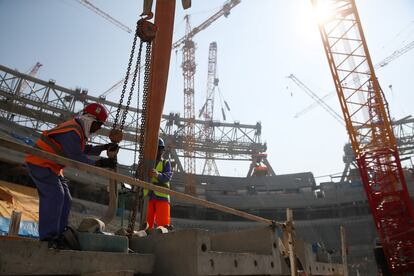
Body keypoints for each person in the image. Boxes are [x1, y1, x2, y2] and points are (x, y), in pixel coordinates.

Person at [25, 102, 118, 246]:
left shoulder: (77, 130)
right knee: (56, 195)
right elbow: (76, 157)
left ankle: (59, 234)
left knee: (66, 199)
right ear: (90, 119)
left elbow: (82, 149)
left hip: (52, 167)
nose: (97, 129)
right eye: (97, 125)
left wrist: (104, 147)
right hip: (40, 163)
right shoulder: (73, 131)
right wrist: (100, 163)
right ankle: (48, 238)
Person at [144, 137, 173, 230]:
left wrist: (157, 175)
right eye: (155, 148)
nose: (156, 151)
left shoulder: (165, 163)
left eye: (158, 149)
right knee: (146, 225)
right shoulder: (146, 163)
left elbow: (167, 177)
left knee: (163, 226)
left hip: (162, 198)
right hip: (148, 196)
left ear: (162, 150)